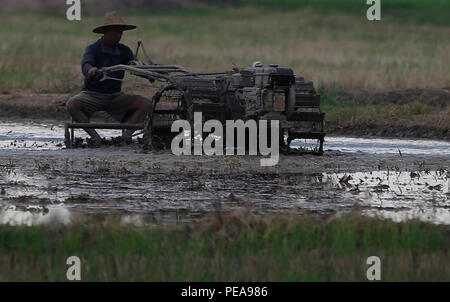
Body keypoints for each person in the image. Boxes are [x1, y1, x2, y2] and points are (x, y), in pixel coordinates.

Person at [66, 11, 152, 144]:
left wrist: (149, 73)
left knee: (146, 103)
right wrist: (91, 71)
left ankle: (127, 135)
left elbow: (136, 67)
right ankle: (95, 137)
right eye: (114, 32)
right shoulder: (93, 49)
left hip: (115, 96)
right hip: (92, 95)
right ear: (105, 32)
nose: (117, 36)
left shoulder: (124, 51)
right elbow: (86, 64)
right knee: (72, 104)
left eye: (120, 32)